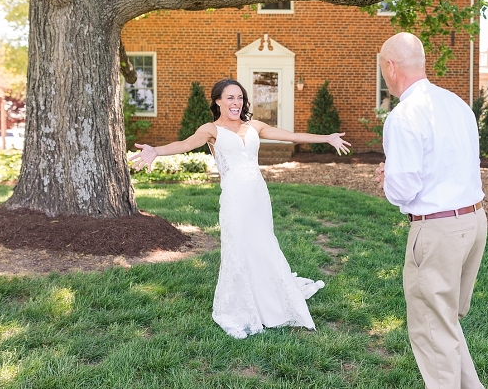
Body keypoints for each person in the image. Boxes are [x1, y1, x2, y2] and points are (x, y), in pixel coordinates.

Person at [130, 79, 350, 339]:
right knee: (238, 248)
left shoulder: (254, 126)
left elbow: (289, 136)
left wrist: (327, 137)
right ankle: (239, 308)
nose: (237, 103)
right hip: (235, 197)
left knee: (263, 244)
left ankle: (271, 300)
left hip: (258, 195)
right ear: (218, 101)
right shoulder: (211, 129)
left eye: (240, 98)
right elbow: (185, 144)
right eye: (230, 98)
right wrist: (156, 150)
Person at [375, 33, 488, 389]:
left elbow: (403, 189)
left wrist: (388, 178)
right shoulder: (456, 104)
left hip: (437, 231)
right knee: (444, 323)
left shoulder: (404, 114)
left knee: (430, 331)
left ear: (391, 67)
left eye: (382, 67)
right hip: (473, 221)